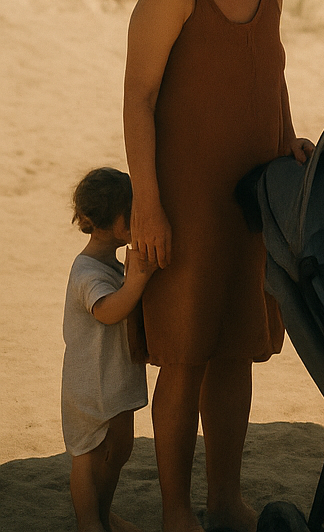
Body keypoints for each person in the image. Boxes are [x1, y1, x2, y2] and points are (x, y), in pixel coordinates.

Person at [124, 0, 313, 532]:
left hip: (254, 190)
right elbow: (139, 96)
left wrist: (289, 139)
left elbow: (274, 73)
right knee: (184, 354)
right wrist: (147, 203)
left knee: (237, 347)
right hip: (185, 194)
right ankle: (177, 510)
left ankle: (225, 498)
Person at [63, 167, 153, 532]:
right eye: (131, 213)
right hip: (88, 385)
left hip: (115, 381)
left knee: (119, 451)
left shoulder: (111, 266)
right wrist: (138, 280)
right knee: (89, 454)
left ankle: (103, 513)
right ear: (112, 221)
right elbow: (109, 312)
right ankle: (89, 521)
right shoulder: (87, 272)